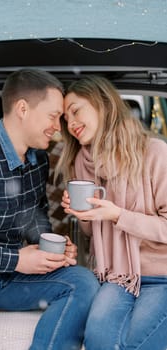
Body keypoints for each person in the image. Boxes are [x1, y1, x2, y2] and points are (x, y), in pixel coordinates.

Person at [0, 69, 100, 350]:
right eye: (52, 116)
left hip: (8, 275)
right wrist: (15, 260)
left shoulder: (38, 160)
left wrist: (49, 248)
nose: (59, 128)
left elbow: (33, 216)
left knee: (82, 282)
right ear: (22, 109)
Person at [57, 75, 167, 350]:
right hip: (116, 275)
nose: (70, 124)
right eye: (65, 118)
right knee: (98, 340)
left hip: (161, 274)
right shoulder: (80, 163)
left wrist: (118, 215)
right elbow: (90, 234)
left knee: (135, 343)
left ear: (103, 104)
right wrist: (83, 216)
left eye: (76, 111)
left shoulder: (155, 153)